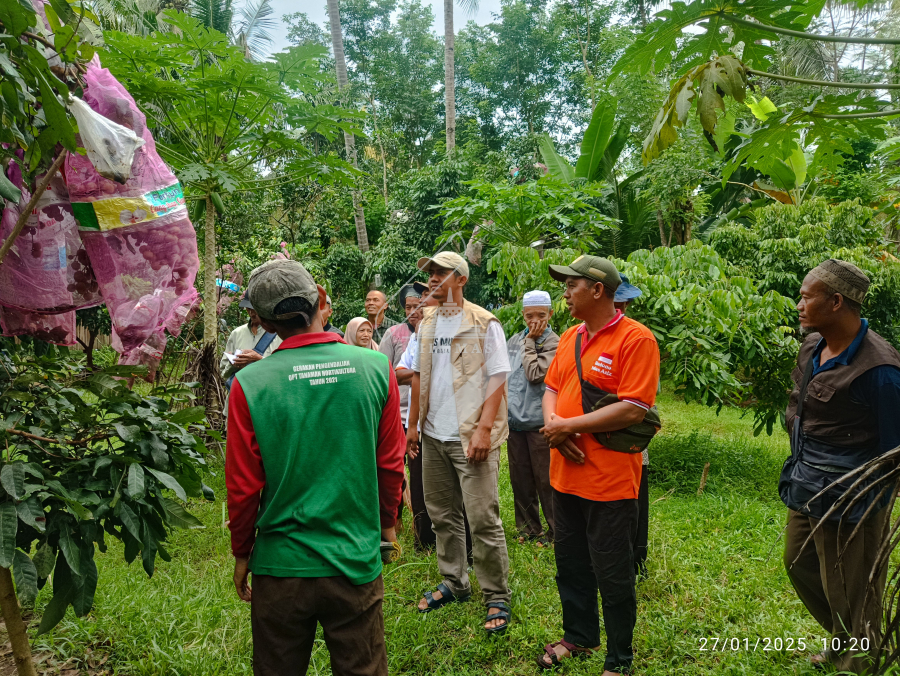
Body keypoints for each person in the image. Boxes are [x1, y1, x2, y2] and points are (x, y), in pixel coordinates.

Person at [225, 259, 405, 676]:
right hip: (354, 559)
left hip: (280, 567)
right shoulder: (376, 368)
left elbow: (243, 485)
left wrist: (242, 551)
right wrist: (387, 526)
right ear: (321, 298)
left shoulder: (250, 383)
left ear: (263, 321)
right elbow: (390, 464)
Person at [537, 255, 660, 675]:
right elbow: (552, 388)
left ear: (597, 290)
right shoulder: (570, 337)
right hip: (564, 477)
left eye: (571, 285)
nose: (565, 293)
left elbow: (634, 407)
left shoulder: (636, 339)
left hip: (609, 483)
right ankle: (579, 635)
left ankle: (619, 659)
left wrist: (568, 427)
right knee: (571, 565)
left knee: (613, 574)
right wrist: (555, 427)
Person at [781, 259, 900, 674]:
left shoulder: (881, 370)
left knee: (851, 587)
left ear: (835, 302)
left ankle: (860, 663)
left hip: (853, 500)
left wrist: (875, 506)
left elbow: (894, 450)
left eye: (806, 297)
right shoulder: (813, 345)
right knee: (798, 563)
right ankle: (844, 642)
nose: (799, 305)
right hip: (807, 482)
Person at [406, 251, 512, 635]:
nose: (432, 279)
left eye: (441, 273)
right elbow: (418, 374)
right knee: (441, 514)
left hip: (470, 437)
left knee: (482, 518)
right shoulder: (427, 322)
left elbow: (498, 376)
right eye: (430, 273)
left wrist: (484, 430)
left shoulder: (483, 322)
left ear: (461, 279)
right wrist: (413, 425)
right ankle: (455, 581)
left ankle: (496, 594)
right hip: (434, 434)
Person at [506, 290, 559, 547]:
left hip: (540, 423)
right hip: (514, 422)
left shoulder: (554, 343)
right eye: (529, 316)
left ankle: (557, 531)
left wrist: (530, 343)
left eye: (540, 315)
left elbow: (535, 374)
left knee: (546, 480)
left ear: (550, 314)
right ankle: (528, 529)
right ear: (523, 315)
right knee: (520, 479)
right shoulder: (514, 340)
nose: (534, 321)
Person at [613, 275, 649, 577]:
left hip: (631, 438)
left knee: (636, 502)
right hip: (602, 444)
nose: (621, 309)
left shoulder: (637, 338)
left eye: (624, 304)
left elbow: (639, 402)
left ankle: (636, 559)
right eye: (617, 303)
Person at [219, 292, 282, 415]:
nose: (251, 313)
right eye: (248, 309)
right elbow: (223, 372)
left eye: (255, 309)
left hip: (267, 404)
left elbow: (285, 371)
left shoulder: (280, 334)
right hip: (238, 404)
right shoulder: (237, 334)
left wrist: (259, 359)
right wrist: (234, 364)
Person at [380, 284, 424, 424]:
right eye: (408, 307)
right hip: (399, 412)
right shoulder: (393, 333)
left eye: (416, 307)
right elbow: (383, 372)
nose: (411, 312)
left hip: (426, 412)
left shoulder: (436, 334)